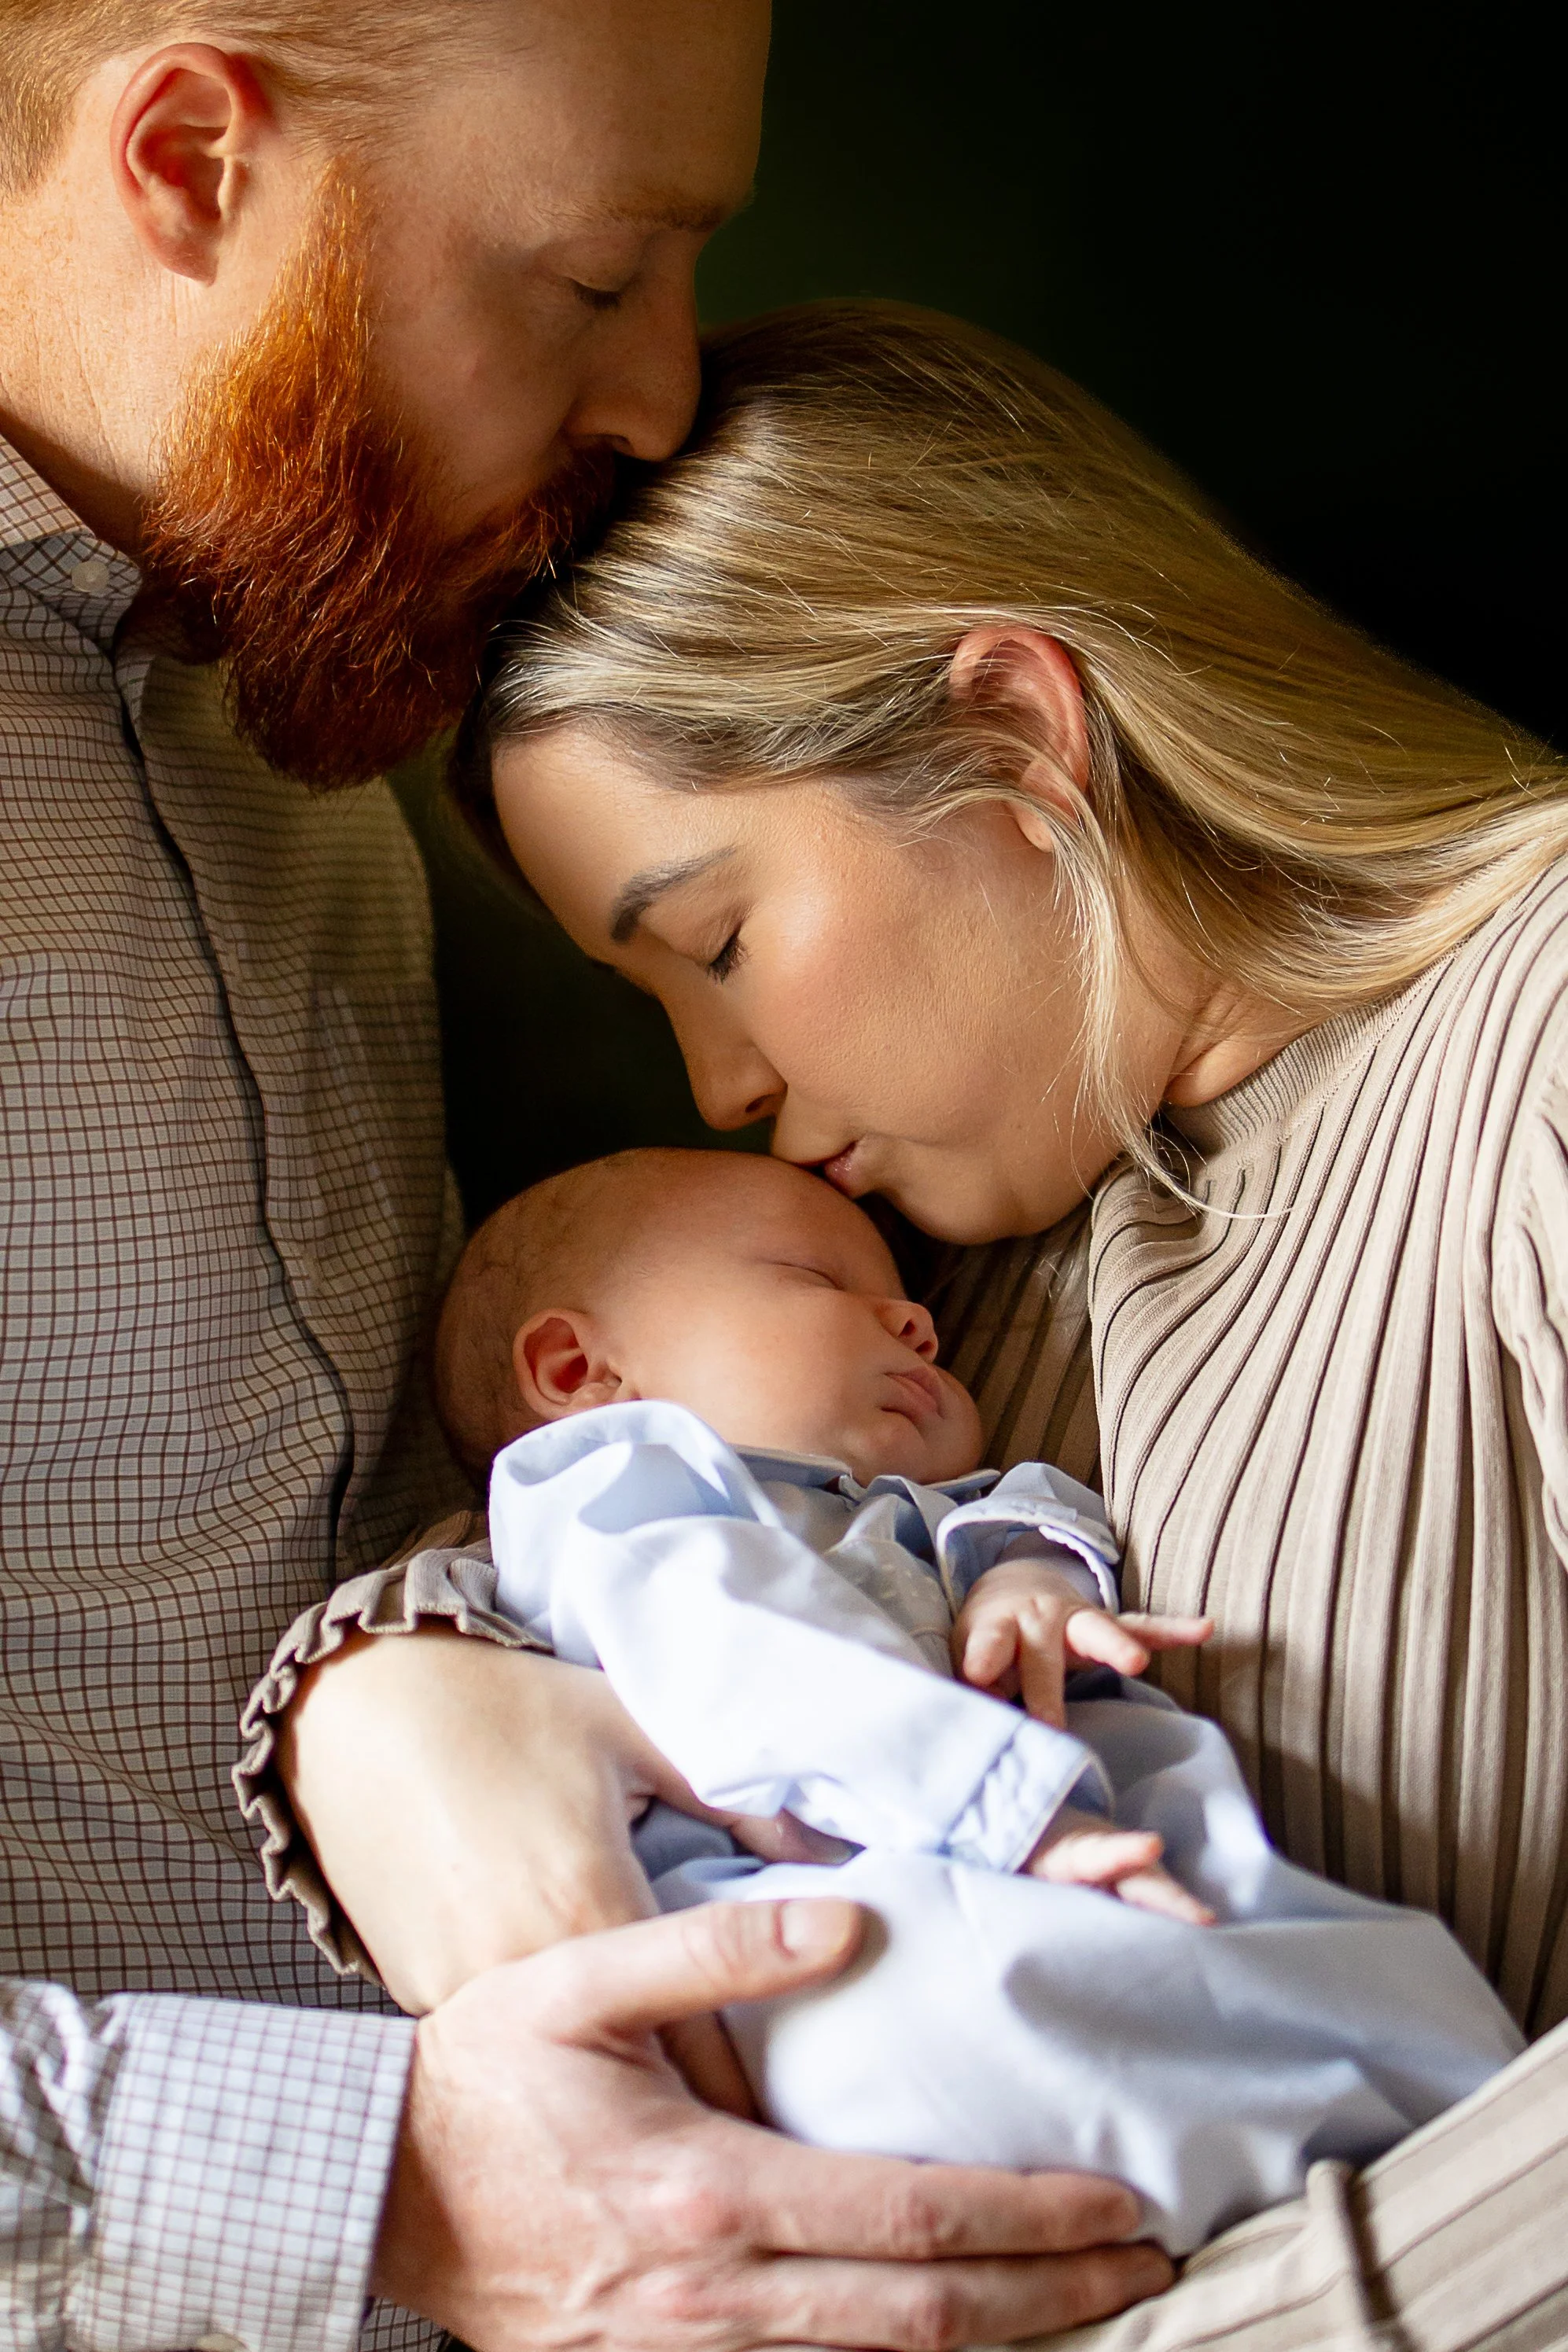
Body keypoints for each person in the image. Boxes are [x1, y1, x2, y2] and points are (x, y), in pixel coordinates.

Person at [2, 24, 1171, 2348]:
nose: (653, 396)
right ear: (193, 156)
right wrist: (386, 2189)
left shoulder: (306, 718)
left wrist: (406, 1661)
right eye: (595, 273)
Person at [255, 299, 1568, 2349]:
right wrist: (379, 1683)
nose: (715, 1084)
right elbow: (638, 1541)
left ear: (1013, 734)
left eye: (714, 943)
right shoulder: (929, 1275)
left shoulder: (1536, 1058)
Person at [420, 1143, 1522, 2252]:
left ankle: (1453, 2131)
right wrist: (999, 1801)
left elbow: (1024, 1514)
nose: (913, 1321)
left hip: (1054, 1840)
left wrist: (1027, 1585)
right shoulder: (607, 1491)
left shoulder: (909, 1506)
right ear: (577, 1369)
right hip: (809, 1897)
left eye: (902, 1296)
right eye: (815, 1279)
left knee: (1368, 1970)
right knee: (952, 2018)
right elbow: (737, 1652)